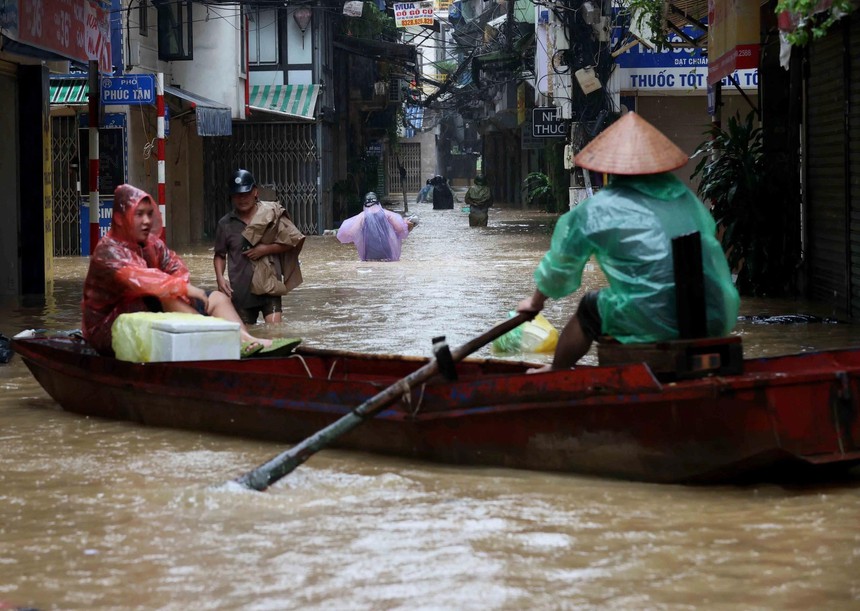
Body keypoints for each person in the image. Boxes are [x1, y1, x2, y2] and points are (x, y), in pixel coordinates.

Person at [516, 111, 740, 372]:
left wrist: (534, 303)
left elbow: (559, 270)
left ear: (609, 169)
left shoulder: (596, 210)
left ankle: (557, 372)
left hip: (654, 317)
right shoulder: (686, 200)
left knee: (589, 308)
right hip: (715, 313)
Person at [82, 184, 273, 356]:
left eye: (149, 214)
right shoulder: (108, 251)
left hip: (145, 315)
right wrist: (185, 290)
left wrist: (186, 290)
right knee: (166, 295)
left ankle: (247, 339)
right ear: (120, 218)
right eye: (139, 214)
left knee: (217, 298)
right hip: (108, 328)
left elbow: (176, 269)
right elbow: (143, 279)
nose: (147, 220)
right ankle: (216, 340)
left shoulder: (152, 245)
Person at [214, 169, 305, 325]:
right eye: (237, 195)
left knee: (275, 332)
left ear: (255, 192)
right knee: (248, 340)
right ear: (231, 197)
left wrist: (265, 249)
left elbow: (290, 242)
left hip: (269, 286)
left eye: (246, 194)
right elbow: (220, 255)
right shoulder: (225, 224)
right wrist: (220, 278)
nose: (242, 199)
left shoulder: (272, 214)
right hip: (241, 291)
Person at [336, 192, 410, 261]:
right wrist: (405, 224)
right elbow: (400, 230)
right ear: (378, 202)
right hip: (388, 250)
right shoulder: (387, 214)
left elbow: (352, 232)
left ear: (365, 203)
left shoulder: (362, 216)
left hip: (369, 252)